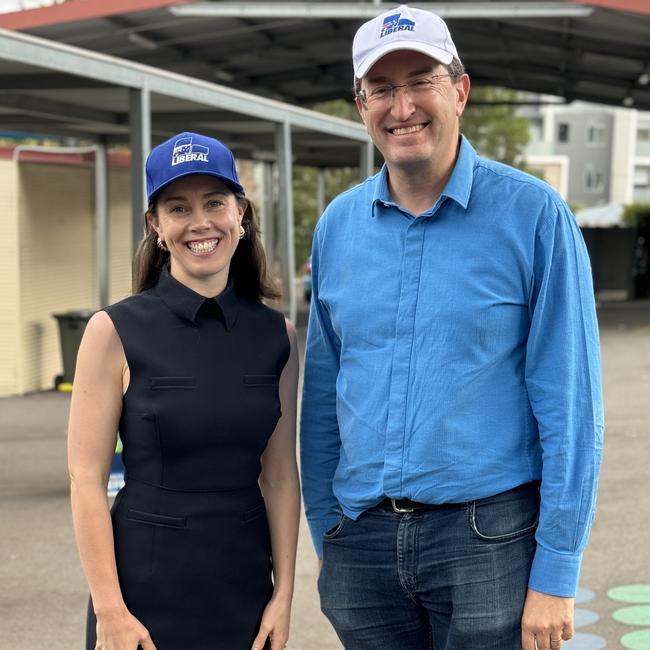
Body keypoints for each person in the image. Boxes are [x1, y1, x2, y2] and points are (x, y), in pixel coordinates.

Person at [300, 6, 603, 650]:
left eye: (422, 80)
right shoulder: (338, 226)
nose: (402, 105)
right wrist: (327, 528)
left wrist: (556, 573)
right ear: (361, 106)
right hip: (362, 542)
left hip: (489, 540)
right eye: (381, 88)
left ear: (460, 91)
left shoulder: (534, 217)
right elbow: (324, 393)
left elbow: (570, 407)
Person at [68, 131, 300, 650]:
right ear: (155, 224)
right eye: (178, 207)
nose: (201, 222)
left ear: (240, 213)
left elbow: (281, 477)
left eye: (214, 202)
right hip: (142, 600)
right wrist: (111, 612)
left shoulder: (276, 336)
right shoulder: (113, 331)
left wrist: (283, 596)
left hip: (243, 593)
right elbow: (85, 480)